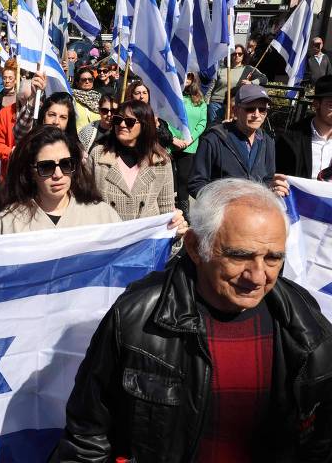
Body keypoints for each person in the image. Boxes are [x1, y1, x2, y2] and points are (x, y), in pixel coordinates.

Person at [52, 178, 332, 462]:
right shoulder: (136, 319)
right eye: (239, 256)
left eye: (273, 258)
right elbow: (87, 439)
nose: (258, 276)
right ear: (196, 247)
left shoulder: (305, 322)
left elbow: (321, 439)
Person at [0, 126, 120, 234]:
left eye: (66, 164)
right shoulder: (6, 224)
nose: (58, 174)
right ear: (30, 172)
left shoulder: (102, 215)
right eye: (46, 167)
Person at [89, 100, 177, 222]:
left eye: (129, 121)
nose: (122, 125)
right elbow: (86, 199)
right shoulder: (98, 155)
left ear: (145, 125)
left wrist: (174, 231)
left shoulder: (161, 161)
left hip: (145, 237)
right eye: (118, 120)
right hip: (108, 235)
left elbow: (166, 208)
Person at [189, 84, 275, 198]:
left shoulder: (267, 141)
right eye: (250, 109)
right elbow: (196, 183)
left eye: (262, 109)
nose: (256, 115)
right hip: (222, 212)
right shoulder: (214, 139)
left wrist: (273, 190)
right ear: (235, 110)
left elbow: (268, 178)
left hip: (255, 212)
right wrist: (224, 200)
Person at [273, 74, 332, 190]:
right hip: (300, 205)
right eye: (331, 105)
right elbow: (278, 176)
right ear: (316, 104)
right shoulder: (290, 139)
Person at [169, 72, 208, 218]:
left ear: (194, 79)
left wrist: (191, 138)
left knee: (184, 178)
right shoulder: (172, 96)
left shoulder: (199, 100)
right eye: (184, 75)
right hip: (171, 143)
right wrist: (172, 138)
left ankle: (183, 209)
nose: (186, 79)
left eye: (189, 76)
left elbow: (202, 122)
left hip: (189, 145)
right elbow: (164, 117)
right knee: (169, 177)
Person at [206, 44, 268, 125]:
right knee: (214, 128)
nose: (237, 56)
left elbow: (264, 79)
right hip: (216, 103)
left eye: (240, 54)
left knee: (229, 129)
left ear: (243, 55)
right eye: (234, 54)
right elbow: (212, 86)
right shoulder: (221, 69)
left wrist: (251, 82)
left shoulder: (248, 69)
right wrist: (206, 101)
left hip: (233, 105)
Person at [0, 81, 34, 181]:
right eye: (23, 98)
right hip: (10, 173)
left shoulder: (39, 114)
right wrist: (11, 153)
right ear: (18, 96)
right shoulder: (4, 113)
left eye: (29, 100)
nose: (25, 103)